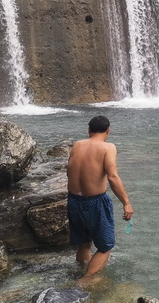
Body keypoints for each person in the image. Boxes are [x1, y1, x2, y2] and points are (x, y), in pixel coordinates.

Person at [67, 115, 134, 285]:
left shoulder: (77, 145)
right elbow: (112, 176)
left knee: (84, 243)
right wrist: (126, 202)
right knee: (105, 246)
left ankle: (80, 270)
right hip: (95, 202)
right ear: (108, 131)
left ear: (88, 130)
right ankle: (85, 280)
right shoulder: (108, 147)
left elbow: (69, 171)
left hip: (74, 201)